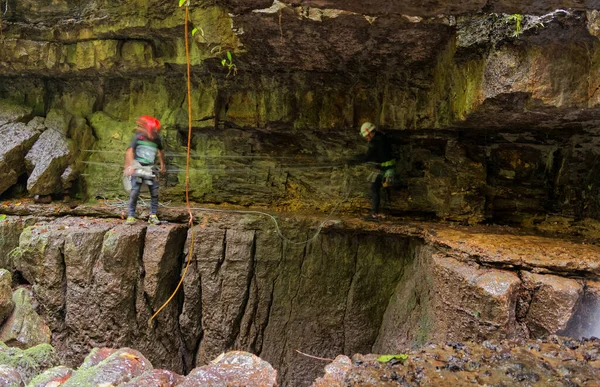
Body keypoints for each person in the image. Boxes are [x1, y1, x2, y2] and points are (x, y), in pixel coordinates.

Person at [123, 116, 166, 225]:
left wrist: (162, 165)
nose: (153, 134)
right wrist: (129, 166)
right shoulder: (139, 137)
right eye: (152, 131)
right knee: (135, 191)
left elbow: (160, 151)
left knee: (155, 192)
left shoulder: (157, 139)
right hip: (138, 167)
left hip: (150, 168)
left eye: (155, 132)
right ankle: (131, 215)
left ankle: (152, 215)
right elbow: (129, 151)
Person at [352, 122, 396, 221]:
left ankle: (374, 214)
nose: (366, 138)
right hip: (389, 169)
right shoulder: (383, 137)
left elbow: (368, 157)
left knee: (374, 188)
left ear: (371, 133)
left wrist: (354, 161)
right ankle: (377, 212)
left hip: (384, 171)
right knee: (377, 188)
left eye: (367, 136)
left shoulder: (375, 142)